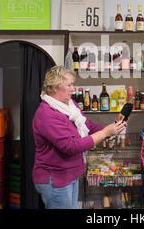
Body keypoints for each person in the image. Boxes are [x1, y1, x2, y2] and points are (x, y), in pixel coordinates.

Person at [32, 66, 126, 209]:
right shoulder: (46, 114)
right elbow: (71, 146)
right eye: (69, 85)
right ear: (55, 87)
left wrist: (113, 127)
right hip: (56, 179)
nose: (73, 89)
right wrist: (105, 133)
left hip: (71, 174)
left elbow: (88, 126)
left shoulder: (70, 106)